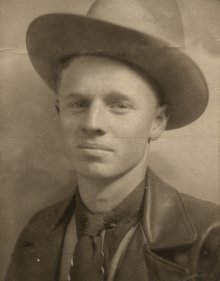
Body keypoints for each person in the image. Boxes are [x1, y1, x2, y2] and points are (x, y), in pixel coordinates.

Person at [5, 0, 220, 281]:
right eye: (78, 104)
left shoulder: (210, 238)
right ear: (59, 112)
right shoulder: (36, 233)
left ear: (158, 121)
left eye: (118, 105)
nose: (92, 124)